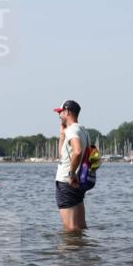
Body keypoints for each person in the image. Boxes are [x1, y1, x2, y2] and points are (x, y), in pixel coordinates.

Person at [53, 99, 93, 232]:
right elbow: (62, 155)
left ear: (68, 112)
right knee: (81, 227)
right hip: (78, 183)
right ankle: (81, 252)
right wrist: (62, 134)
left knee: (70, 229)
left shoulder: (72, 130)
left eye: (61, 113)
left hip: (67, 182)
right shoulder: (83, 130)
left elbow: (77, 151)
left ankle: (70, 252)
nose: (59, 116)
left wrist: (71, 174)